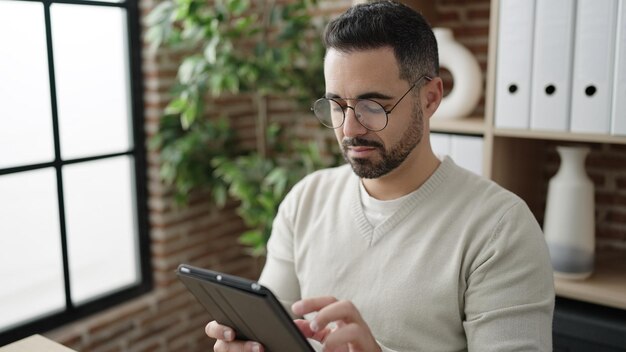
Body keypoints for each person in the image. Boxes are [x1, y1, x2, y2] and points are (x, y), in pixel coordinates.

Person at [205, 1, 555, 351]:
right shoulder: (306, 199)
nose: (349, 128)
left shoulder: (500, 229)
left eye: (373, 106)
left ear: (430, 98)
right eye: (337, 105)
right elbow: (276, 330)